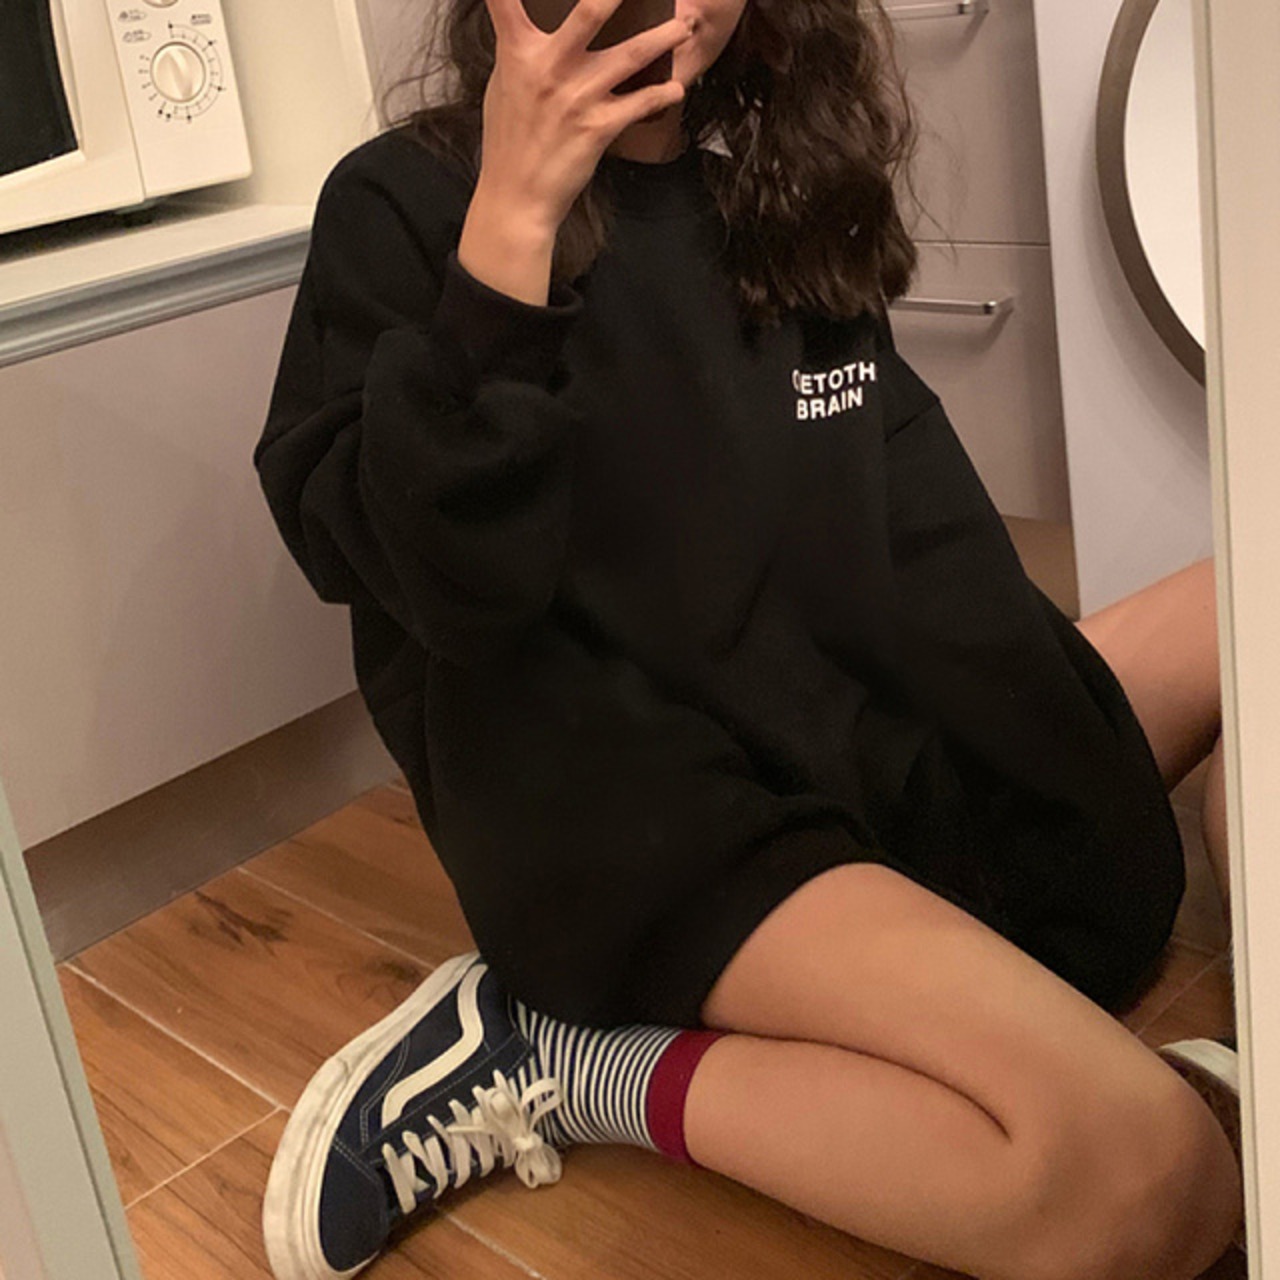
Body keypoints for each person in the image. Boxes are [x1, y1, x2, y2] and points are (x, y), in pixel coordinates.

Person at [251, 0, 1245, 1276]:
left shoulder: (769, 192)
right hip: (638, 811)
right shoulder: (400, 203)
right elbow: (446, 587)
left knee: (1254, 600)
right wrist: (510, 230)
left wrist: (1054, 771)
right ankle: (569, 1059)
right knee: (1150, 1177)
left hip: (834, 728)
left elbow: (918, 551)